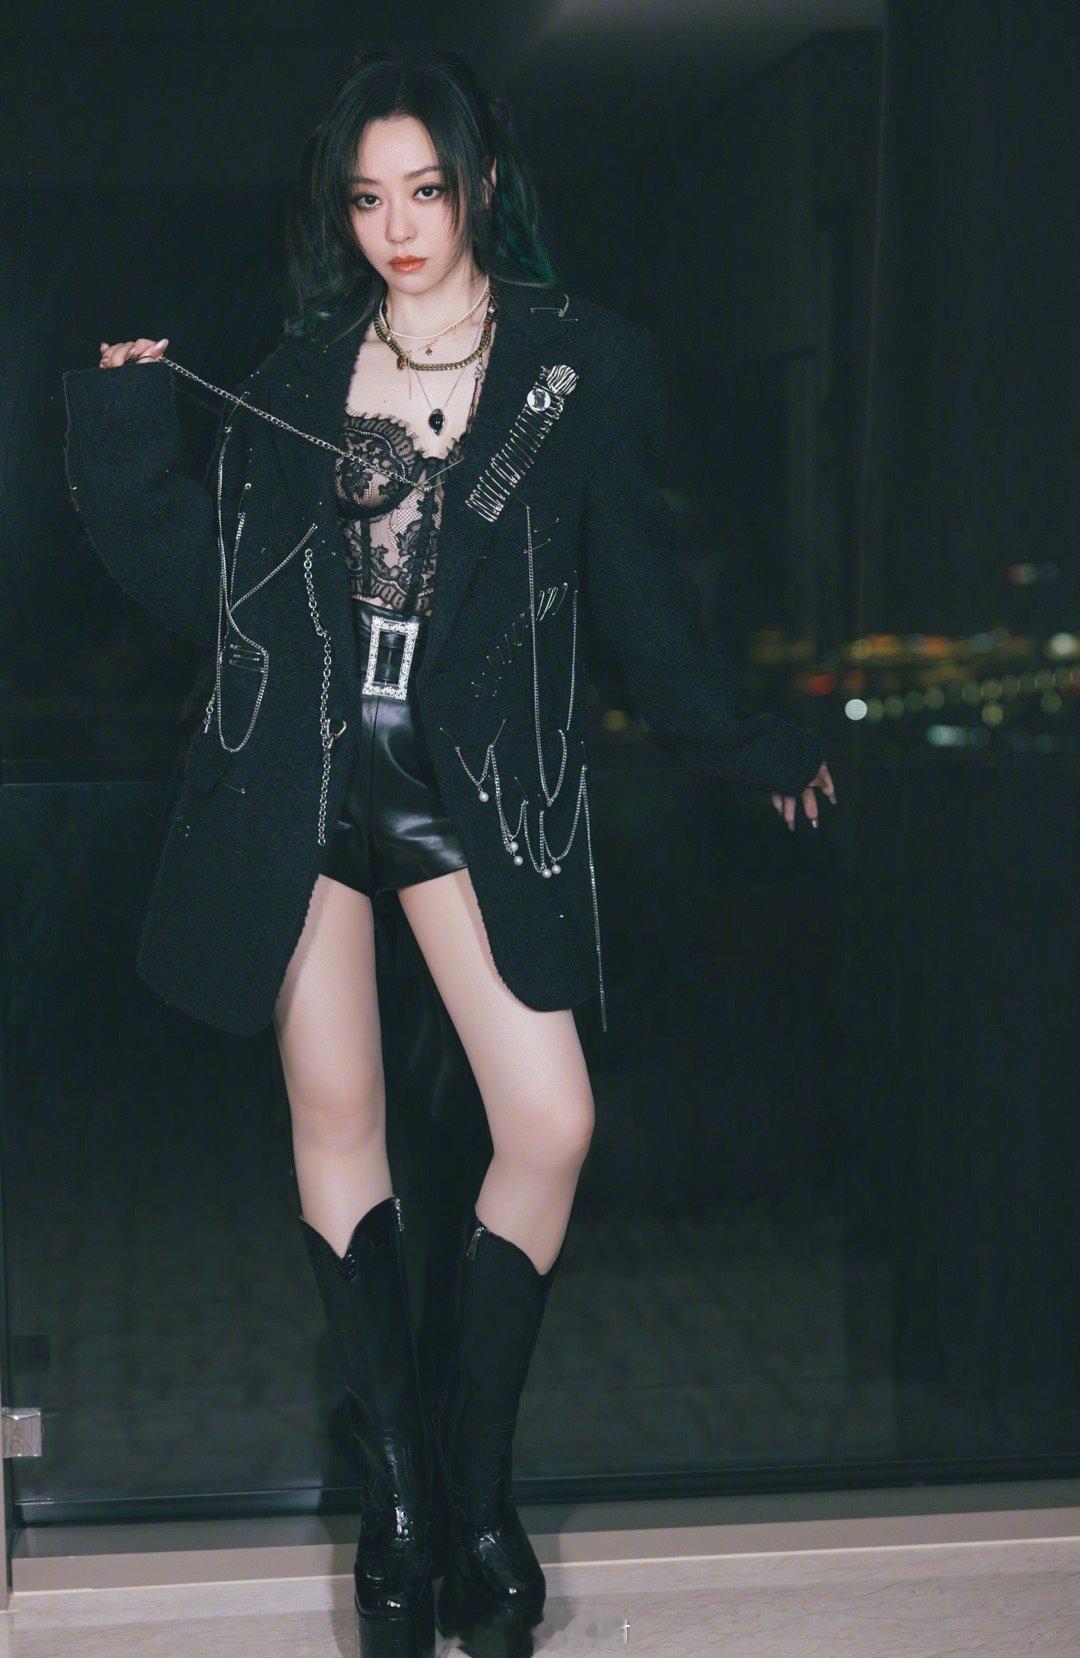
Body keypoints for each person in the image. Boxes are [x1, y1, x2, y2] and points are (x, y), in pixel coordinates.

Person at [64, 44, 837, 1658]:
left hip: (467, 791)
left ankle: (476, 1483)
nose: (400, 228)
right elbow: (214, 603)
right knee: (338, 1117)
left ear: (476, 183)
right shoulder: (293, 381)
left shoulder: (573, 365)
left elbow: (640, 602)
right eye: (369, 199)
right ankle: (406, 1506)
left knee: (548, 1115)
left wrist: (743, 741)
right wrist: (128, 431)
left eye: (424, 190)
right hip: (301, 777)